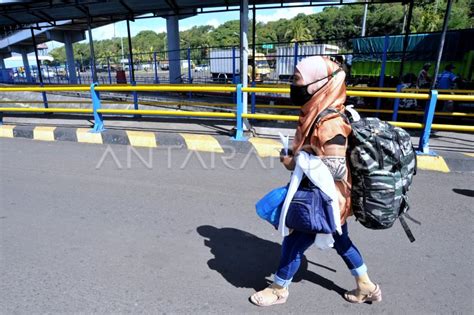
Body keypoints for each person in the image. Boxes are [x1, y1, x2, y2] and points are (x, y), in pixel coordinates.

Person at [250, 56, 381, 307]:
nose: (292, 84)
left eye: (297, 79)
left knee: (294, 243)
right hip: (330, 198)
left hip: (322, 200)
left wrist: (295, 159)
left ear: (320, 83)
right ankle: (365, 284)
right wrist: (297, 157)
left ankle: (279, 288)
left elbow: (334, 168)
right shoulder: (318, 112)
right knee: (341, 241)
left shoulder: (329, 122)